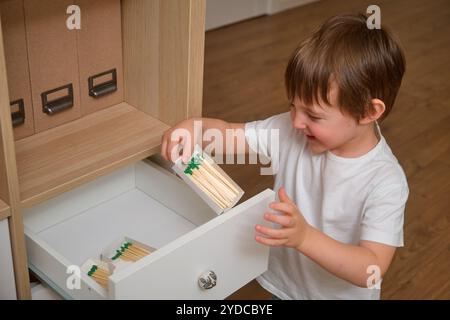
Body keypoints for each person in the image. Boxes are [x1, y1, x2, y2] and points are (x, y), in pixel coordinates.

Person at [161, 13, 408, 299]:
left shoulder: (386, 181)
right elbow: (230, 134)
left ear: (368, 112)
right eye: (293, 106)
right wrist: (196, 129)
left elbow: (371, 268)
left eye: (313, 115)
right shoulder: (293, 130)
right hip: (282, 286)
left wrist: (305, 237)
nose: (295, 122)